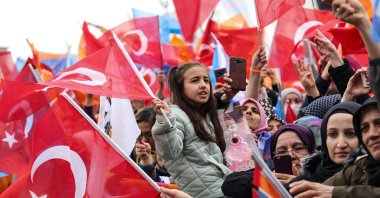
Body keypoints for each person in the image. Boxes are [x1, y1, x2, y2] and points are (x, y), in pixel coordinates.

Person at [152, 62, 235, 198]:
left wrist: (227, 96)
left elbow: (216, 104)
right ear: (180, 88)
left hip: (223, 189)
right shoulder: (175, 115)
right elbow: (170, 152)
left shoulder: (204, 114)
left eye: (206, 80)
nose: (203, 84)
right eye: (195, 80)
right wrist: (166, 121)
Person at [289, 102, 361, 185]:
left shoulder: (372, 177)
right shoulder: (306, 179)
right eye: (333, 134)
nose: (341, 144)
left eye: (350, 134)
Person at [133, 107, 170, 183]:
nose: (144, 140)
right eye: (139, 135)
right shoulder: (131, 153)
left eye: (149, 135)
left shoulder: (172, 154)